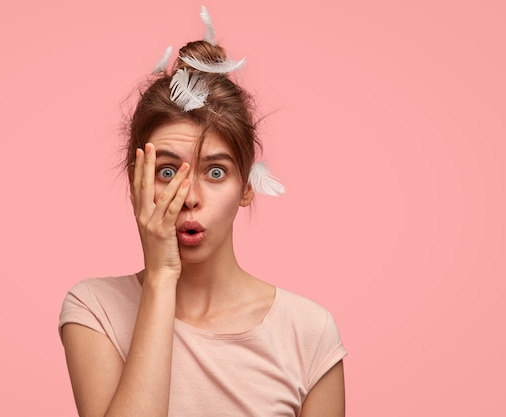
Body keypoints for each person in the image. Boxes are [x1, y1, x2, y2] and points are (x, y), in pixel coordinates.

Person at [58, 7, 346, 417]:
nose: (189, 196)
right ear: (137, 181)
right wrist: (160, 277)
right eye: (168, 171)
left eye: (215, 171)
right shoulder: (94, 309)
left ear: (246, 187)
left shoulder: (308, 332)